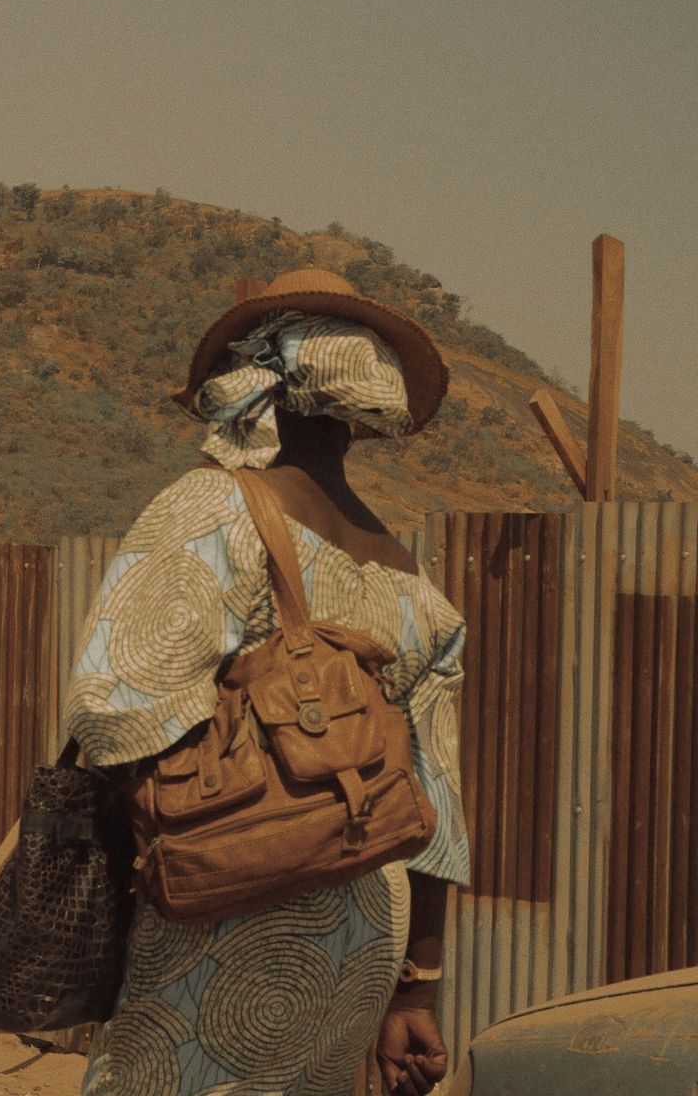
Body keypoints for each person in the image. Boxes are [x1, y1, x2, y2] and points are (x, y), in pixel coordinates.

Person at [63, 268, 469, 1096]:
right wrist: (414, 987)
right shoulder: (415, 586)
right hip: (366, 930)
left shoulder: (210, 511)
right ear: (359, 408)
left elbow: (116, 721)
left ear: (257, 384)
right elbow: (440, 807)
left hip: (226, 908)